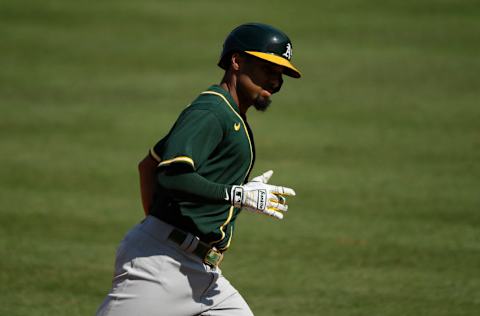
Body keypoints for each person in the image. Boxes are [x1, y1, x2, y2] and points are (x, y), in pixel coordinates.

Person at [96, 22, 301, 316]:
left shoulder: (230, 115)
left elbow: (149, 165)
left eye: (280, 74)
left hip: (202, 273)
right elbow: (170, 174)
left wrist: (161, 222)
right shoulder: (210, 111)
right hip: (162, 267)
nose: (275, 81)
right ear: (237, 61)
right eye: (269, 68)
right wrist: (233, 195)